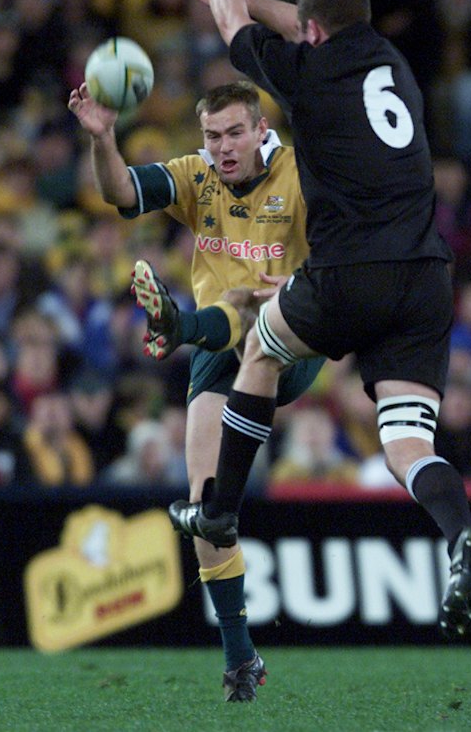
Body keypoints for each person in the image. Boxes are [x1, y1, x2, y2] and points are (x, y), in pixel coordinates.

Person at [171, 0, 471, 642]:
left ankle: (219, 507)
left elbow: (235, 32)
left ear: (311, 35)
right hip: (424, 281)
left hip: (350, 272)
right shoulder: (393, 64)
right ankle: (462, 535)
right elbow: (291, 19)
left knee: (258, 349)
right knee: (409, 444)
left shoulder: (309, 77)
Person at [68, 77, 324, 700]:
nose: (224, 146)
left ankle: (177, 325)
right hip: (221, 346)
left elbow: (343, 253)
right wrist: (104, 138)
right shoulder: (197, 174)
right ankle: (241, 659)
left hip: (291, 334)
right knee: (208, 509)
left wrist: (295, 287)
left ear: (261, 129)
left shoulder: (301, 175)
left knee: (245, 302)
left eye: (236, 132)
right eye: (213, 136)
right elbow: (119, 191)